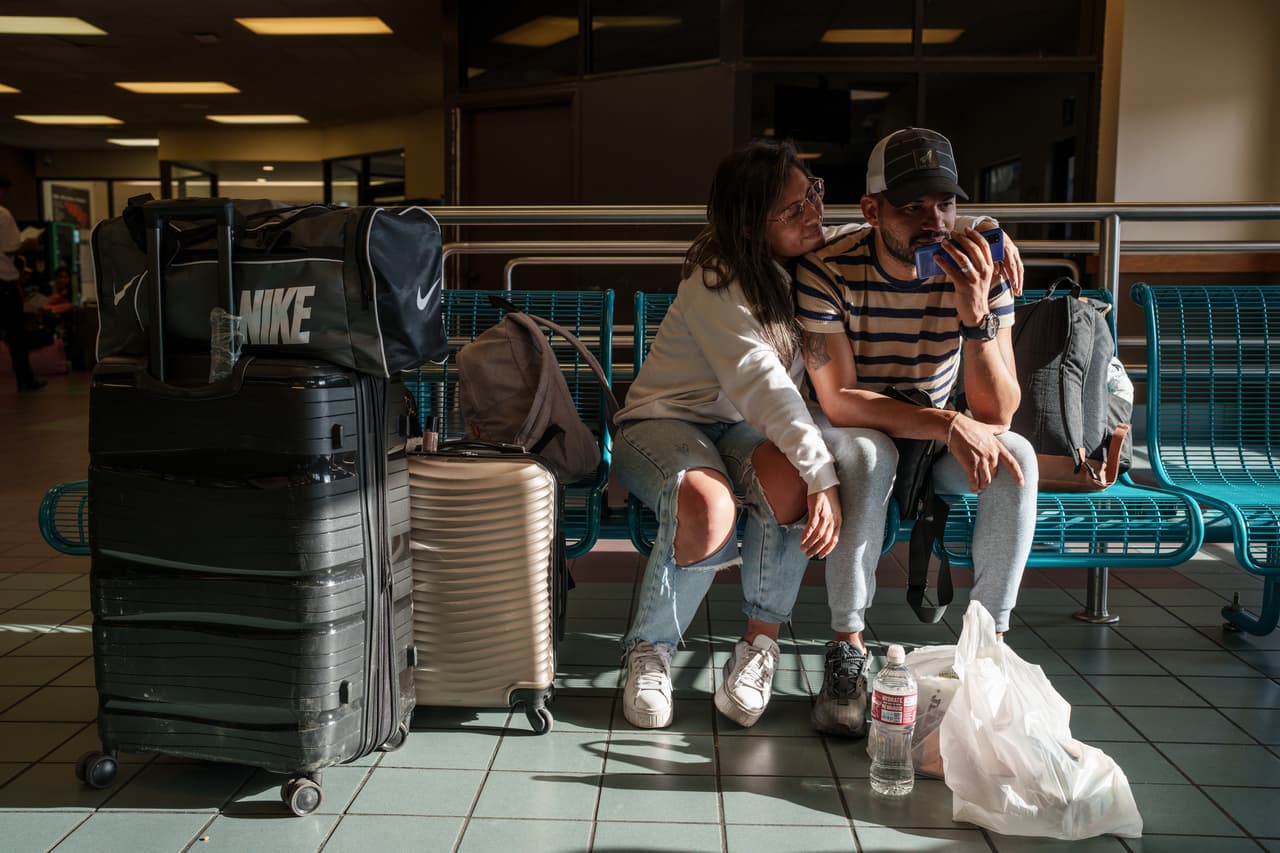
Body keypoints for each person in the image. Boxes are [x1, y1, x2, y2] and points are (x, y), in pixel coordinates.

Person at [794, 127, 1038, 737]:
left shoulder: (982, 267)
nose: (935, 220)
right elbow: (842, 401)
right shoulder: (827, 270)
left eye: (946, 203)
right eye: (912, 206)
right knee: (870, 456)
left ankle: (987, 650)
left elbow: (1000, 411)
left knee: (1016, 455)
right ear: (873, 210)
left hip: (936, 435)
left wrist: (976, 313)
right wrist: (950, 421)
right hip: (864, 424)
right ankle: (847, 648)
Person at [613, 139, 843, 729]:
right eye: (792, 210)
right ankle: (652, 650)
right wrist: (826, 474)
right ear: (749, 224)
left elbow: (907, 228)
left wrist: (982, 228)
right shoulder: (716, 282)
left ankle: (759, 648)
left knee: (789, 481)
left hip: (738, 429)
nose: (813, 213)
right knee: (709, 504)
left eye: (813, 195)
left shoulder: (814, 261)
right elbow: (764, 384)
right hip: (664, 424)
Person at [0, 177, 44, 392]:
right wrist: (28, 244)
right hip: (5, 285)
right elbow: (10, 248)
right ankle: (25, 379)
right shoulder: (2, 214)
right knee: (17, 334)